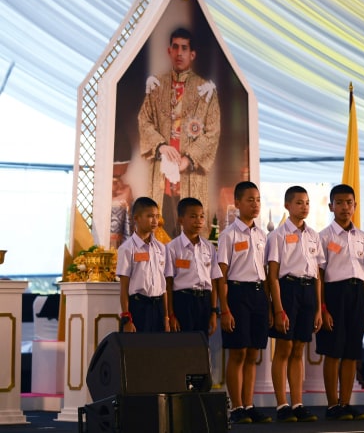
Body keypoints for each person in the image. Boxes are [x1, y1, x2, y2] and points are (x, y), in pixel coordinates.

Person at [138, 27, 221, 238]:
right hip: (162, 174)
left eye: (184, 48)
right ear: (169, 51)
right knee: (158, 231)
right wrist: (161, 146)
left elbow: (213, 131)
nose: (179, 53)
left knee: (190, 233)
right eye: (175, 47)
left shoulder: (206, 90)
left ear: (192, 54)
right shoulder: (157, 85)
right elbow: (144, 120)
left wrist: (189, 159)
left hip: (189, 175)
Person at [266, 186, 324, 422]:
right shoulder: (278, 235)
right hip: (287, 290)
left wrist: (319, 308)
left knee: (299, 348)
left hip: (309, 291)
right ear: (287, 205)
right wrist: (278, 308)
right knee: (284, 349)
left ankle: (298, 403)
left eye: (307, 202)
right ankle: (282, 404)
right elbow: (273, 276)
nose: (304, 207)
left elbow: (318, 275)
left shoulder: (313, 235)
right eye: (299, 202)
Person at [316, 184, 364, 421]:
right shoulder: (324, 236)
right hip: (333, 294)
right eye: (339, 202)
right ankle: (332, 405)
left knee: (351, 353)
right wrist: (323, 307)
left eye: (349, 202)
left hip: (357, 294)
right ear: (331, 206)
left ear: (355, 206)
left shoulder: (362, 237)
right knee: (333, 352)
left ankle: (345, 403)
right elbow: (319, 274)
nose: (344, 207)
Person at [216, 181, 271, 424]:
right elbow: (221, 275)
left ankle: (249, 405)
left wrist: (270, 305)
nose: (255, 204)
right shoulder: (228, 235)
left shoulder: (262, 235)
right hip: (237, 295)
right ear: (237, 203)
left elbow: (267, 272)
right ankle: (236, 406)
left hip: (259, 294)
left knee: (252, 353)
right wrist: (224, 309)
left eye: (258, 199)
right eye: (250, 199)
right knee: (237, 353)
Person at [164, 197, 220, 335]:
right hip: (183, 302)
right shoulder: (172, 248)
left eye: (201, 216)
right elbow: (168, 284)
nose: (199, 221)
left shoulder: (209, 247)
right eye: (193, 216)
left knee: (202, 347)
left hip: (204, 301)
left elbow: (213, 281)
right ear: (181, 220)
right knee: (183, 348)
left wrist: (213, 311)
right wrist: (171, 314)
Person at [116, 197, 169, 333]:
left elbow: (164, 286)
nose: (155, 221)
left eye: (157, 216)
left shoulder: (161, 248)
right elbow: (124, 287)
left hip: (157, 307)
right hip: (138, 307)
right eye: (150, 216)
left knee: (158, 352)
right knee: (138, 351)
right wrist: (127, 318)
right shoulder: (127, 248)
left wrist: (166, 316)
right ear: (137, 218)